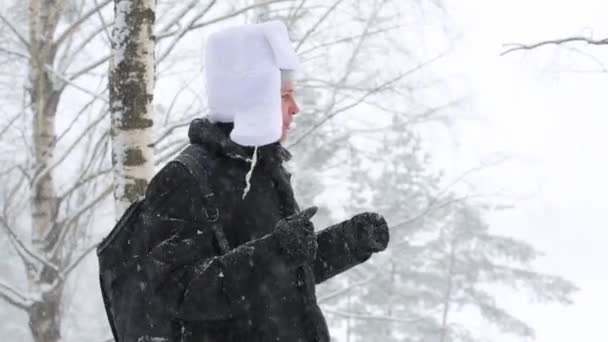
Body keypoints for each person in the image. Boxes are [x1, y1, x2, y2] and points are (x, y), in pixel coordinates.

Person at [104, 20, 389, 342]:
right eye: (284, 96)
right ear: (254, 97)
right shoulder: (184, 178)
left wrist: (349, 242)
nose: (296, 108)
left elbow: (284, 275)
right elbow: (176, 291)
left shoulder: (263, 168)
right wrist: (276, 252)